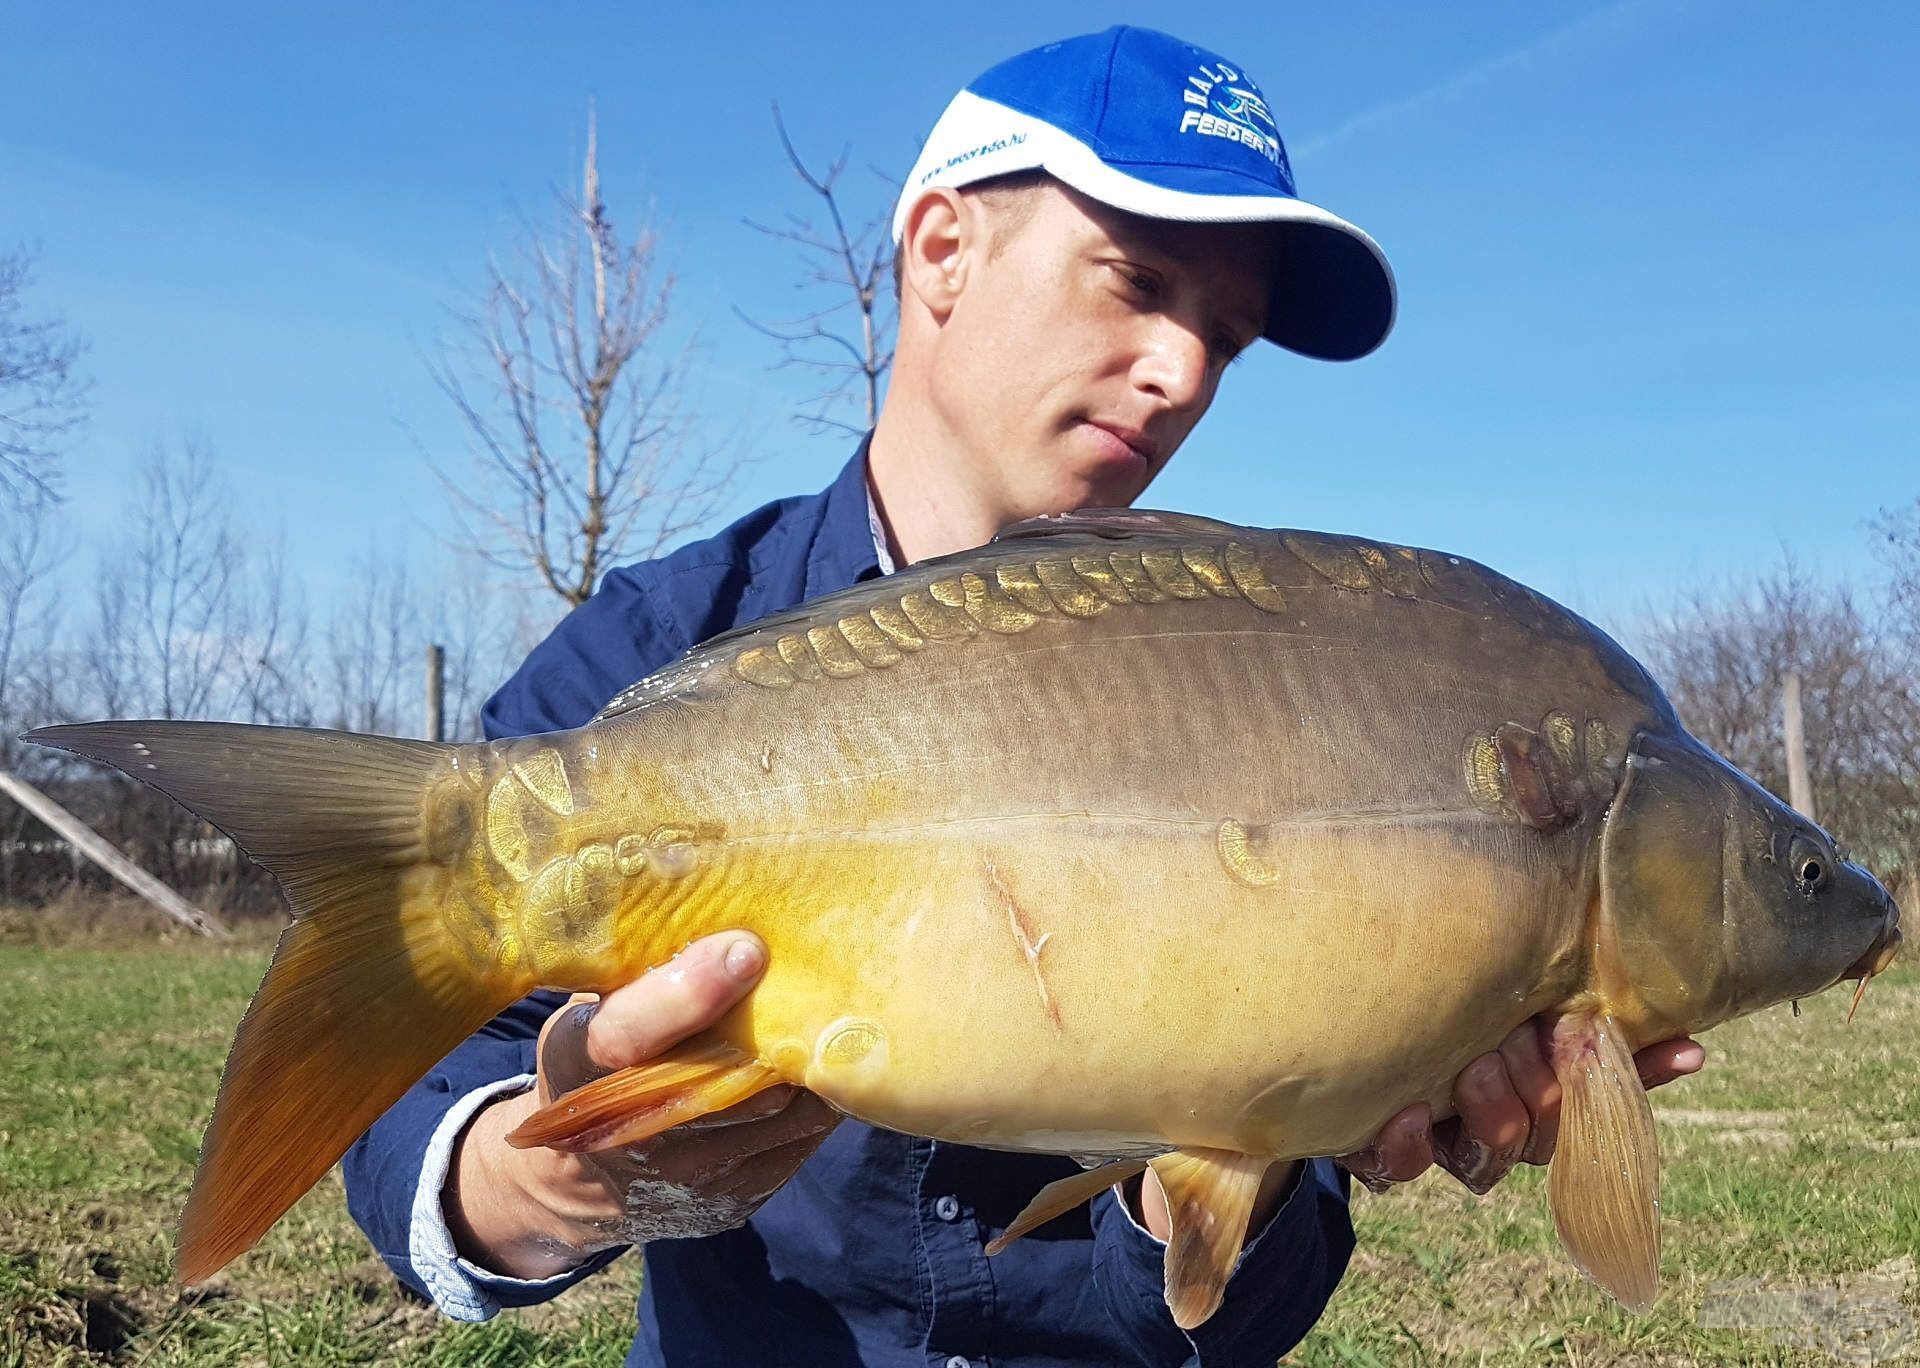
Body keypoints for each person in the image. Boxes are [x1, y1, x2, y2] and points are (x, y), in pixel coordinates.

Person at [344, 26, 1705, 1367]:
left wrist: (1240, 1160)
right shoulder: (649, 654)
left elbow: (1235, 1313)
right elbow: (409, 1128)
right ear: (943, 249)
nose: (1182, 377)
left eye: (1224, 338)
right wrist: (569, 1180)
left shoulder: (1294, 678)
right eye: (1137, 282)